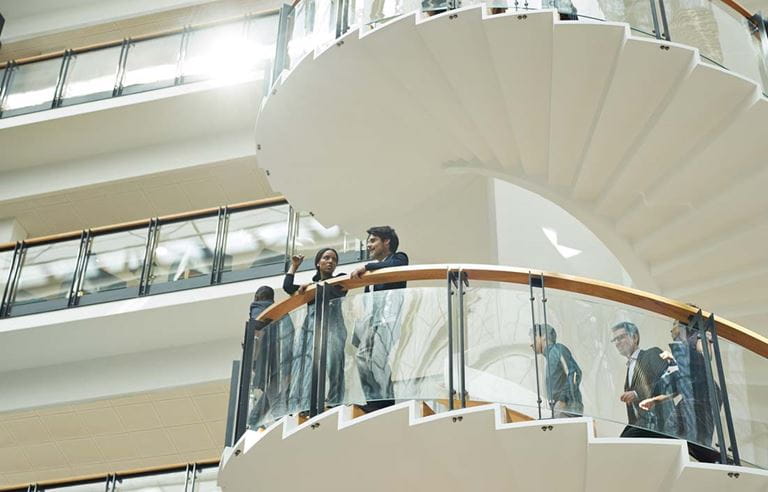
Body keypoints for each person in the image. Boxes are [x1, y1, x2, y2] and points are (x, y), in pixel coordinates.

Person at [350, 226, 409, 412]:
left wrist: (367, 266)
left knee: (379, 359)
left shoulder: (398, 258)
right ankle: (373, 399)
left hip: (388, 318)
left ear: (387, 241)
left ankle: (385, 401)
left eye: (373, 240)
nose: (368, 245)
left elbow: (395, 268)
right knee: (361, 357)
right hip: (371, 321)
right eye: (368, 241)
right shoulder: (371, 273)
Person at [284, 248, 348, 413]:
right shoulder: (310, 286)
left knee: (335, 363)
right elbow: (288, 287)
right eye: (326, 258)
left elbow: (331, 291)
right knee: (307, 365)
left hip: (334, 325)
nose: (330, 262)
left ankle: (335, 401)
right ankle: (305, 404)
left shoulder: (340, 279)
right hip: (311, 327)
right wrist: (294, 266)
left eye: (334, 259)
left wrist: (313, 287)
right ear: (318, 263)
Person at [610, 321, 673, 438]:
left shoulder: (651, 354)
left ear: (634, 337)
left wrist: (636, 393)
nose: (617, 343)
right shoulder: (629, 368)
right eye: (615, 340)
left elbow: (666, 382)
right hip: (640, 425)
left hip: (657, 424)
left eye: (621, 337)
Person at [532, 323, 583, 417]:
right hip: (560, 411)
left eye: (534, 337)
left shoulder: (557, 350)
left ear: (544, 336)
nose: (531, 343)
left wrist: (562, 400)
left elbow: (575, 373)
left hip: (568, 410)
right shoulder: (550, 356)